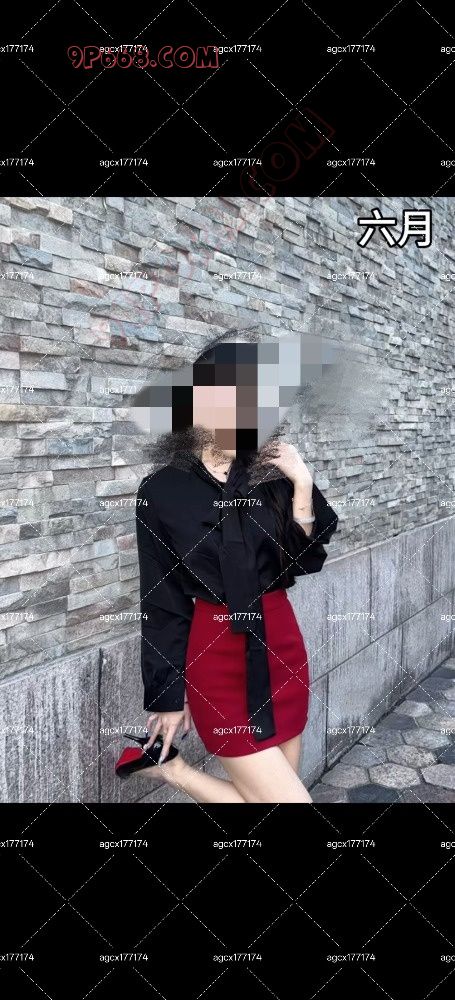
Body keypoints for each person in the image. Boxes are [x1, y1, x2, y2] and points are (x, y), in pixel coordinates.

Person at [115, 333, 338, 802]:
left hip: (281, 646)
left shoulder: (273, 475)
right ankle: (176, 772)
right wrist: (167, 695)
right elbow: (162, 598)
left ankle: (170, 770)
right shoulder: (163, 490)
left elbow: (304, 561)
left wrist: (302, 484)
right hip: (215, 655)